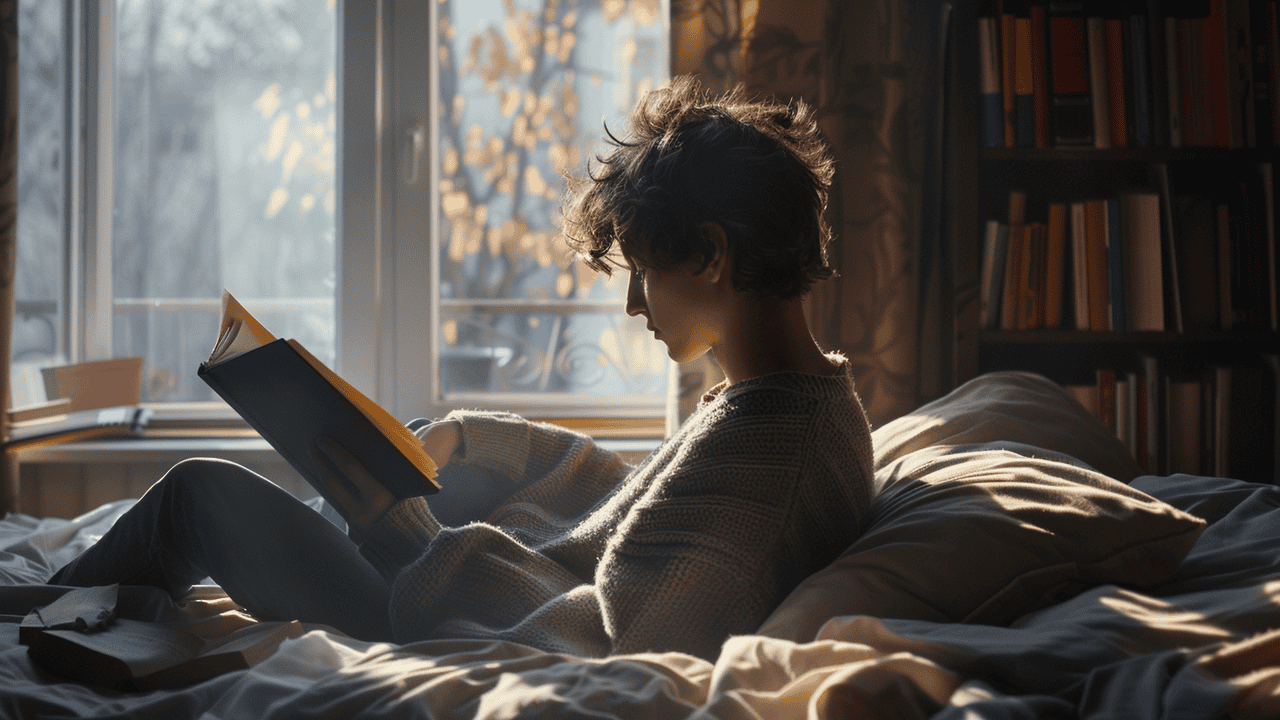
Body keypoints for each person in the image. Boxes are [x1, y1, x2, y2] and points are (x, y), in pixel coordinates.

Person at [47, 76, 875, 661]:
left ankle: (34, 609)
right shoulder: (782, 403)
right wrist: (470, 438)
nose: (633, 305)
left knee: (201, 494)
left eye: (642, 270)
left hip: (443, 610)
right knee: (422, 454)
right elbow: (630, 500)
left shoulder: (773, 451)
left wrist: (401, 534)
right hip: (490, 576)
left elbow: (610, 643)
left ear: (712, 256)